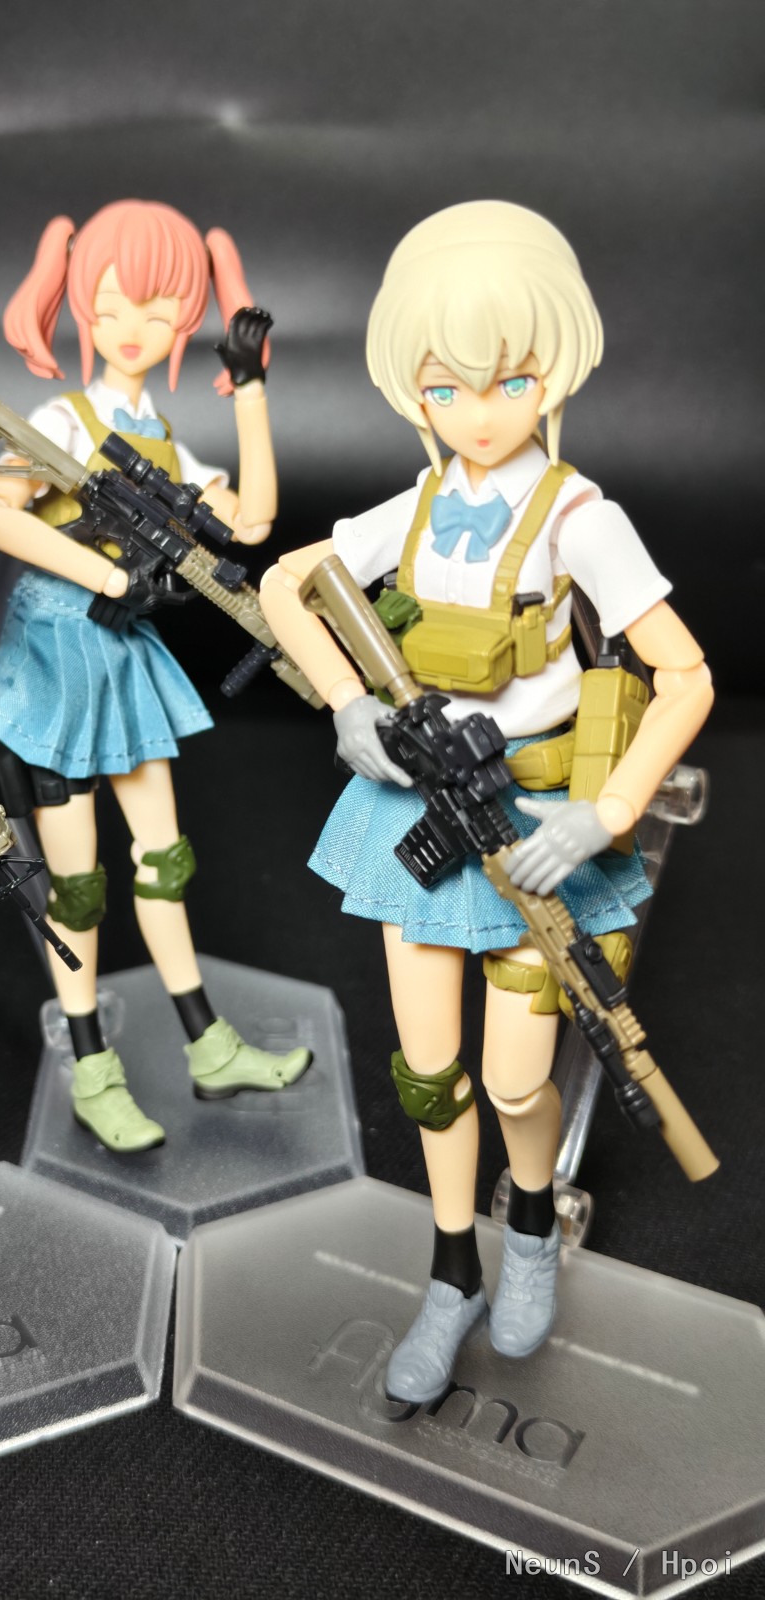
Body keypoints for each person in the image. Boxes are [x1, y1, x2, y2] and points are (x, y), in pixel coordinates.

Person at [259, 200, 713, 1403]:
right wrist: (347, 705)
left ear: (551, 370)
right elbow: (285, 583)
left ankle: (531, 1225)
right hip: (420, 815)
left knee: (519, 1079)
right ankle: (450, 1266)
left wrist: (608, 812)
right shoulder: (409, 509)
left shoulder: (578, 516)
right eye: (444, 385)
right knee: (428, 1072)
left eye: (506, 379)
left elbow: (686, 676)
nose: (475, 410)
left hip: (533, 821)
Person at [0, 199, 309, 1153]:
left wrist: (250, 390)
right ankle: (92, 1071)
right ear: (82, 302)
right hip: (53, 667)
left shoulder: (160, 433)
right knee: (76, 886)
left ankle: (209, 1046)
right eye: (113, 304)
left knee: (164, 860)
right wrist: (107, 573)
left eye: (160, 313)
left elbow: (251, 522)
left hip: (122, 661)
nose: (132, 327)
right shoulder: (55, 419)